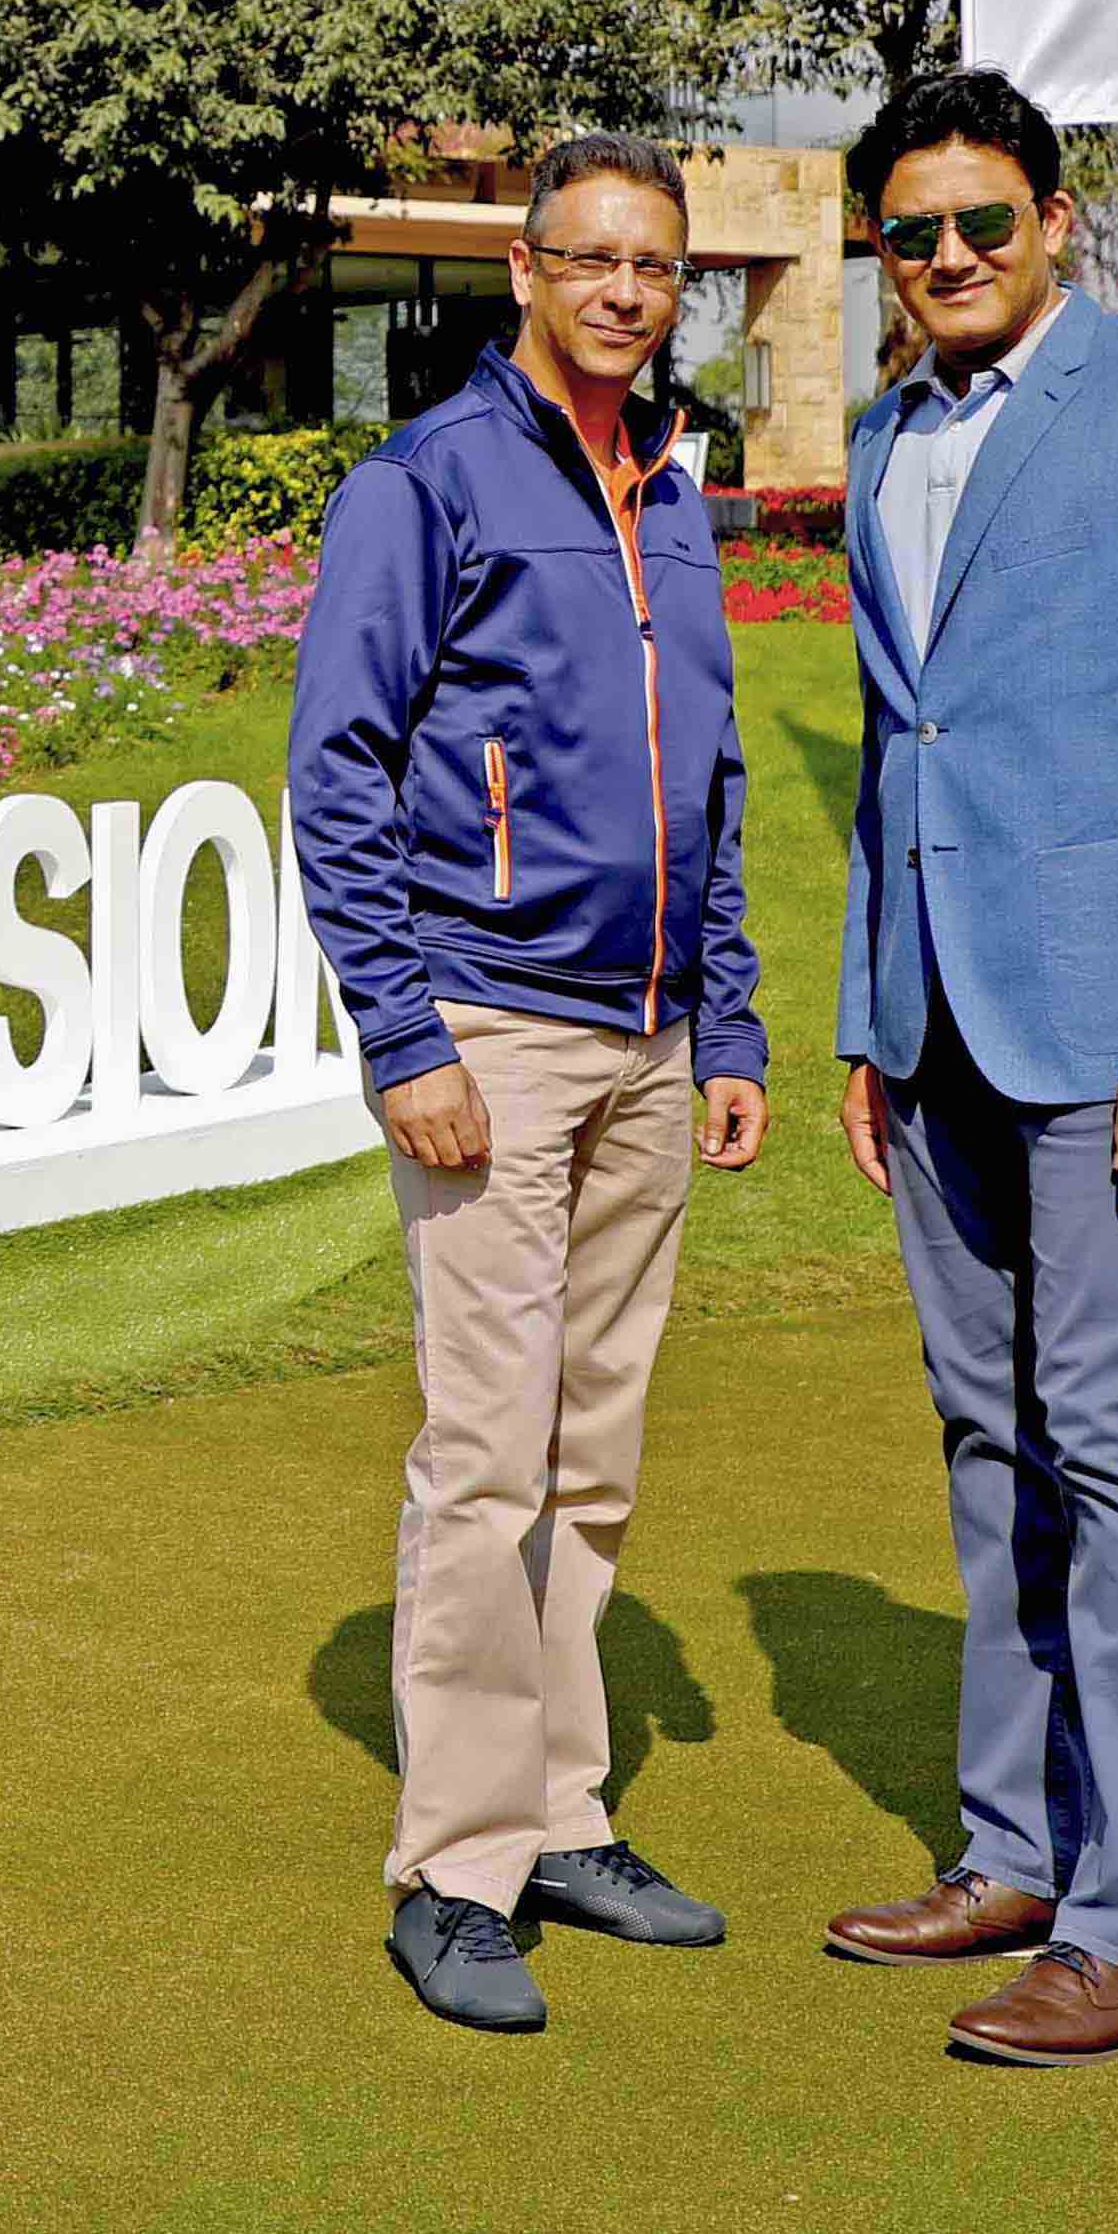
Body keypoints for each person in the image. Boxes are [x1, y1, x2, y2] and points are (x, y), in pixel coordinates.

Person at [815, 70, 1118, 2066]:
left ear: (1057, 220)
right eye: (911, 231)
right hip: (934, 1024)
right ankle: (1014, 1857)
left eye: (982, 222)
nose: (947, 257)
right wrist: (868, 1016)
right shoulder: (882, 433)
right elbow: (898, 743)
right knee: (989, 1441)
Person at [287, 134, 770, 2038]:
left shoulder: (674, 493)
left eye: (656, 266)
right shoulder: (426, 482)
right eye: (591, 259)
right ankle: (460, 1862)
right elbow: (338, 767)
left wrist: (728, 1022)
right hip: (492, 1024)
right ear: (527, 272)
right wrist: (404, 1037)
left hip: (651, 1037)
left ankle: (564, 1812)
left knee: (595, 1451)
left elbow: (708, 773)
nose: (625, 293)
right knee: (488, 1451)